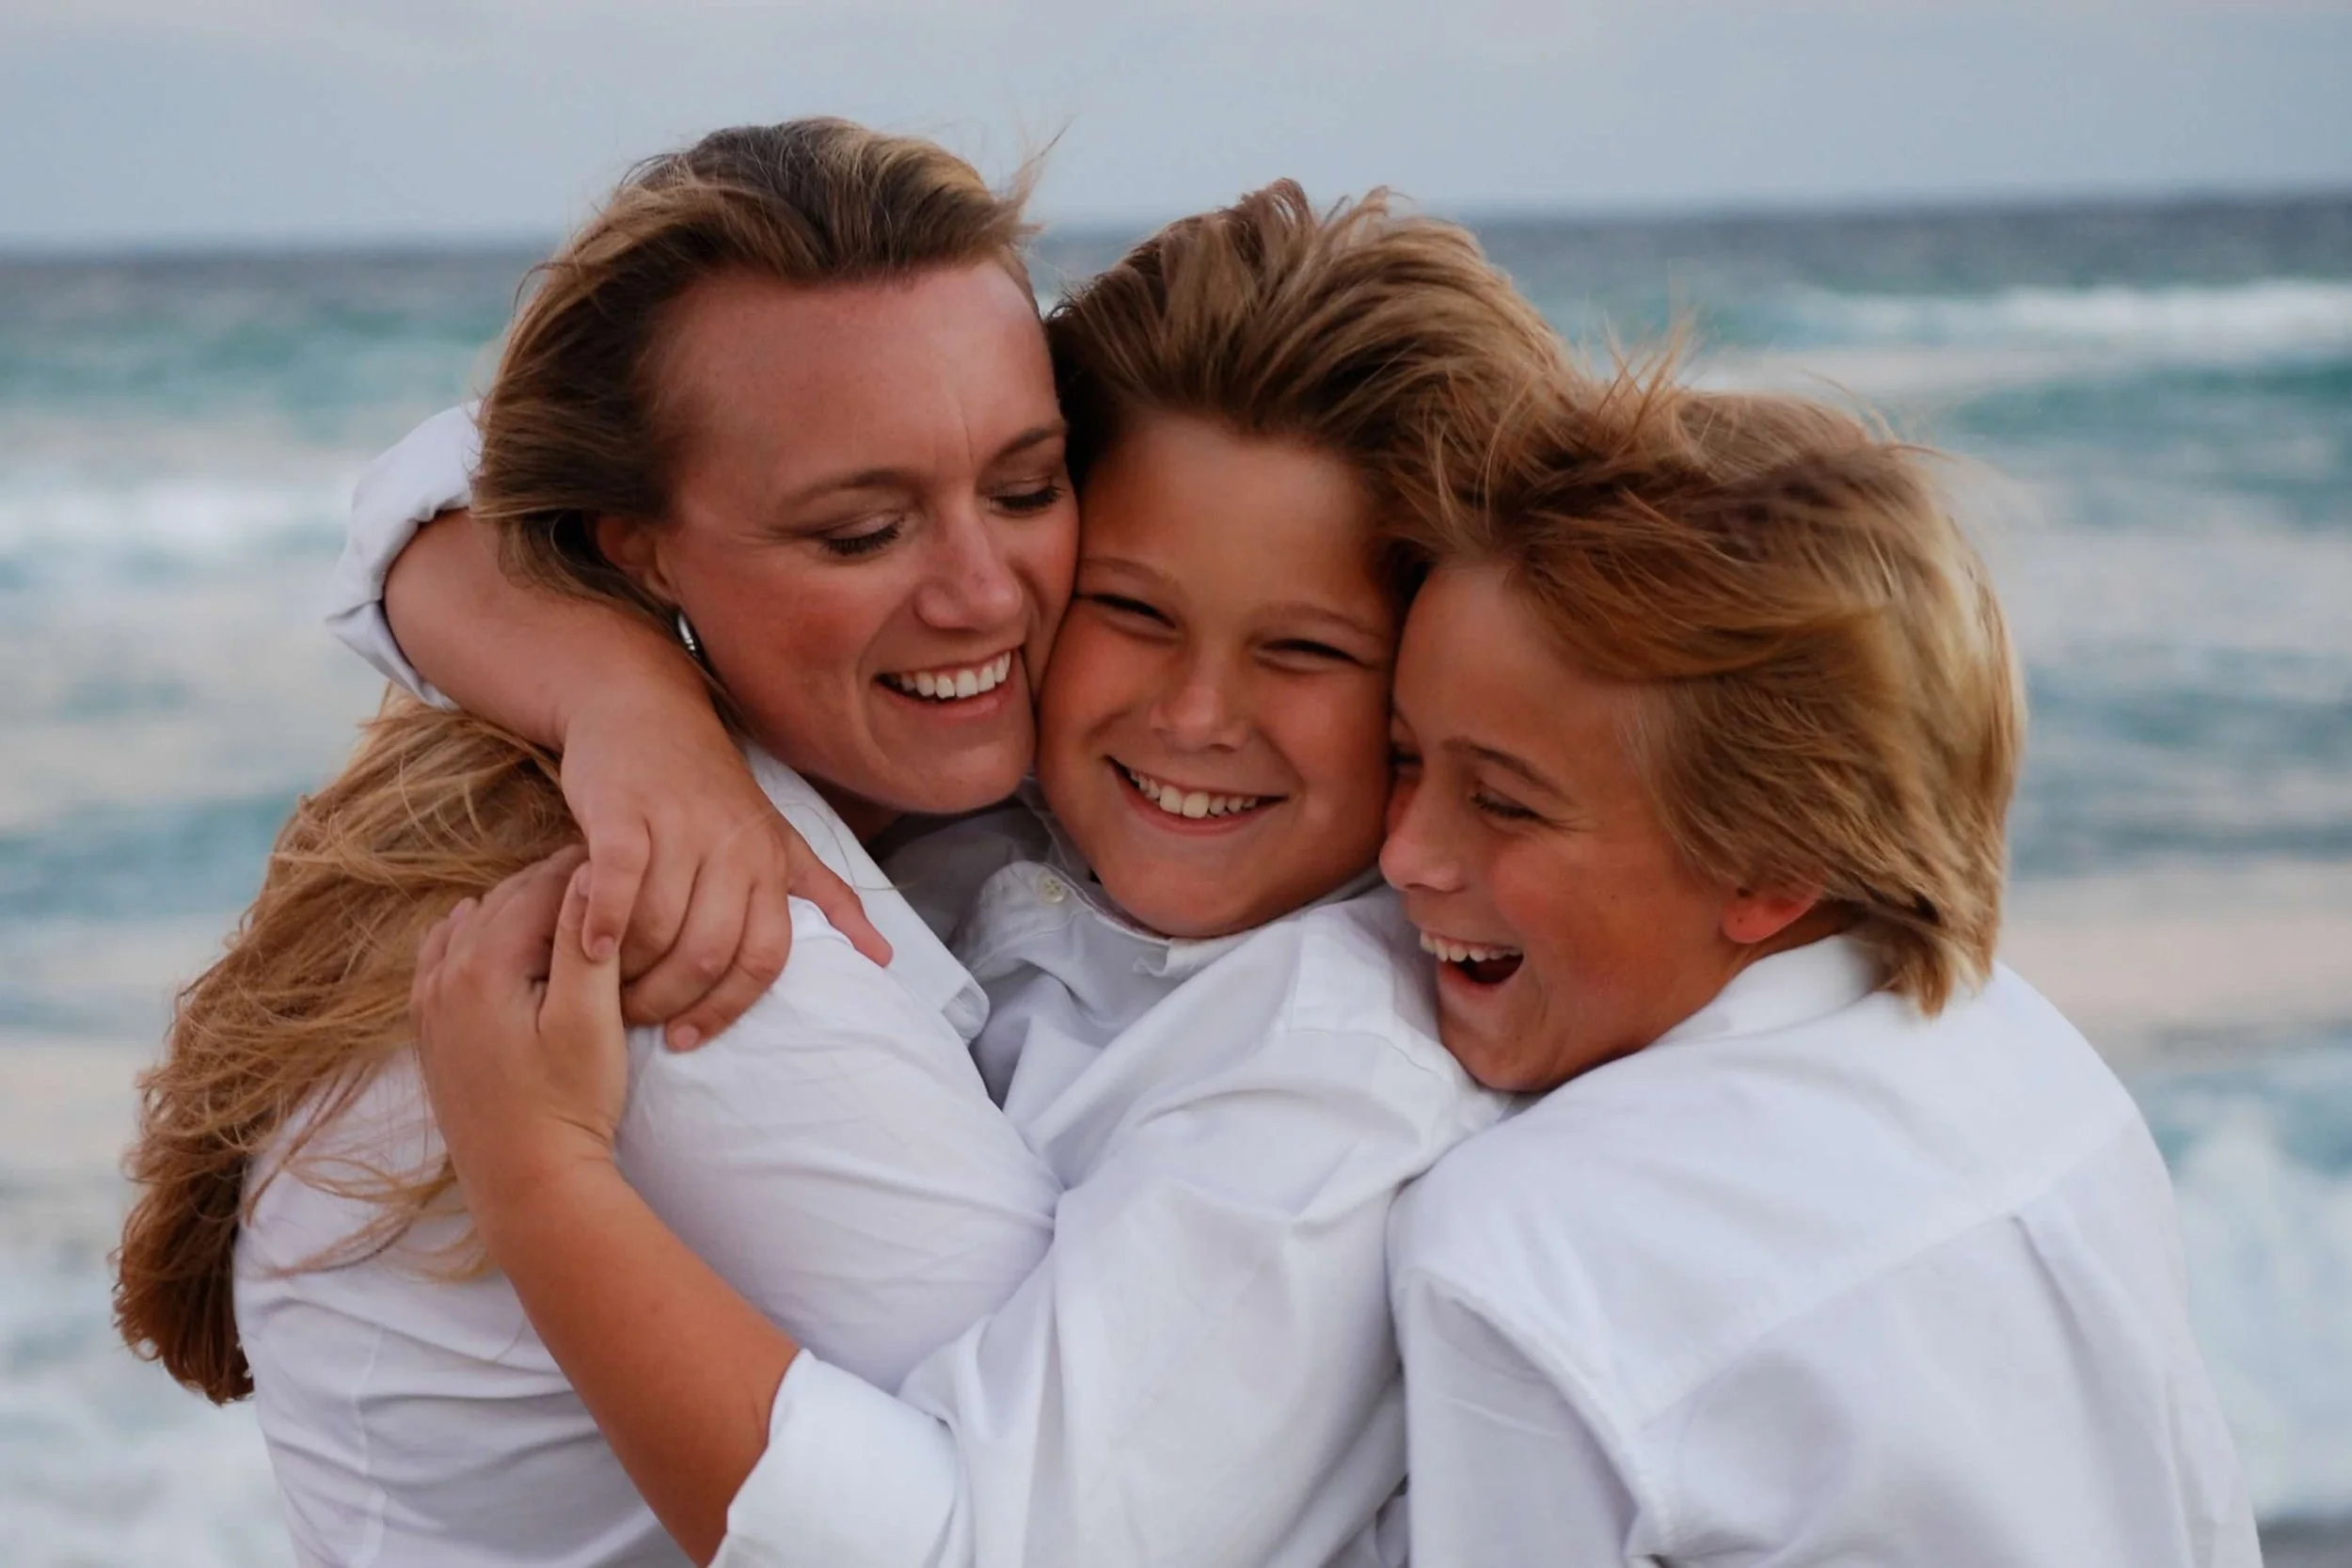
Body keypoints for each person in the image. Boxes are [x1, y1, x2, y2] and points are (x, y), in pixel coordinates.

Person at [121, 116, 1562, 1567]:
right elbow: (435, 484)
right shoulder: (720, 948)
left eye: (1022, 489)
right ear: (638, 542)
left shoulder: (1020, 853)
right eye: (862, 529)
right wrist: (619, 699)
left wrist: (616, 694)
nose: (984, 594)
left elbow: (431, 487)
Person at [1376, 371, 2261, 1565]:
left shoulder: (1522, 1246)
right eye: (1400, 758)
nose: (1405, 853)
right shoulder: (2034, 1066)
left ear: (1769, 862)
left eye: (1502, 802)